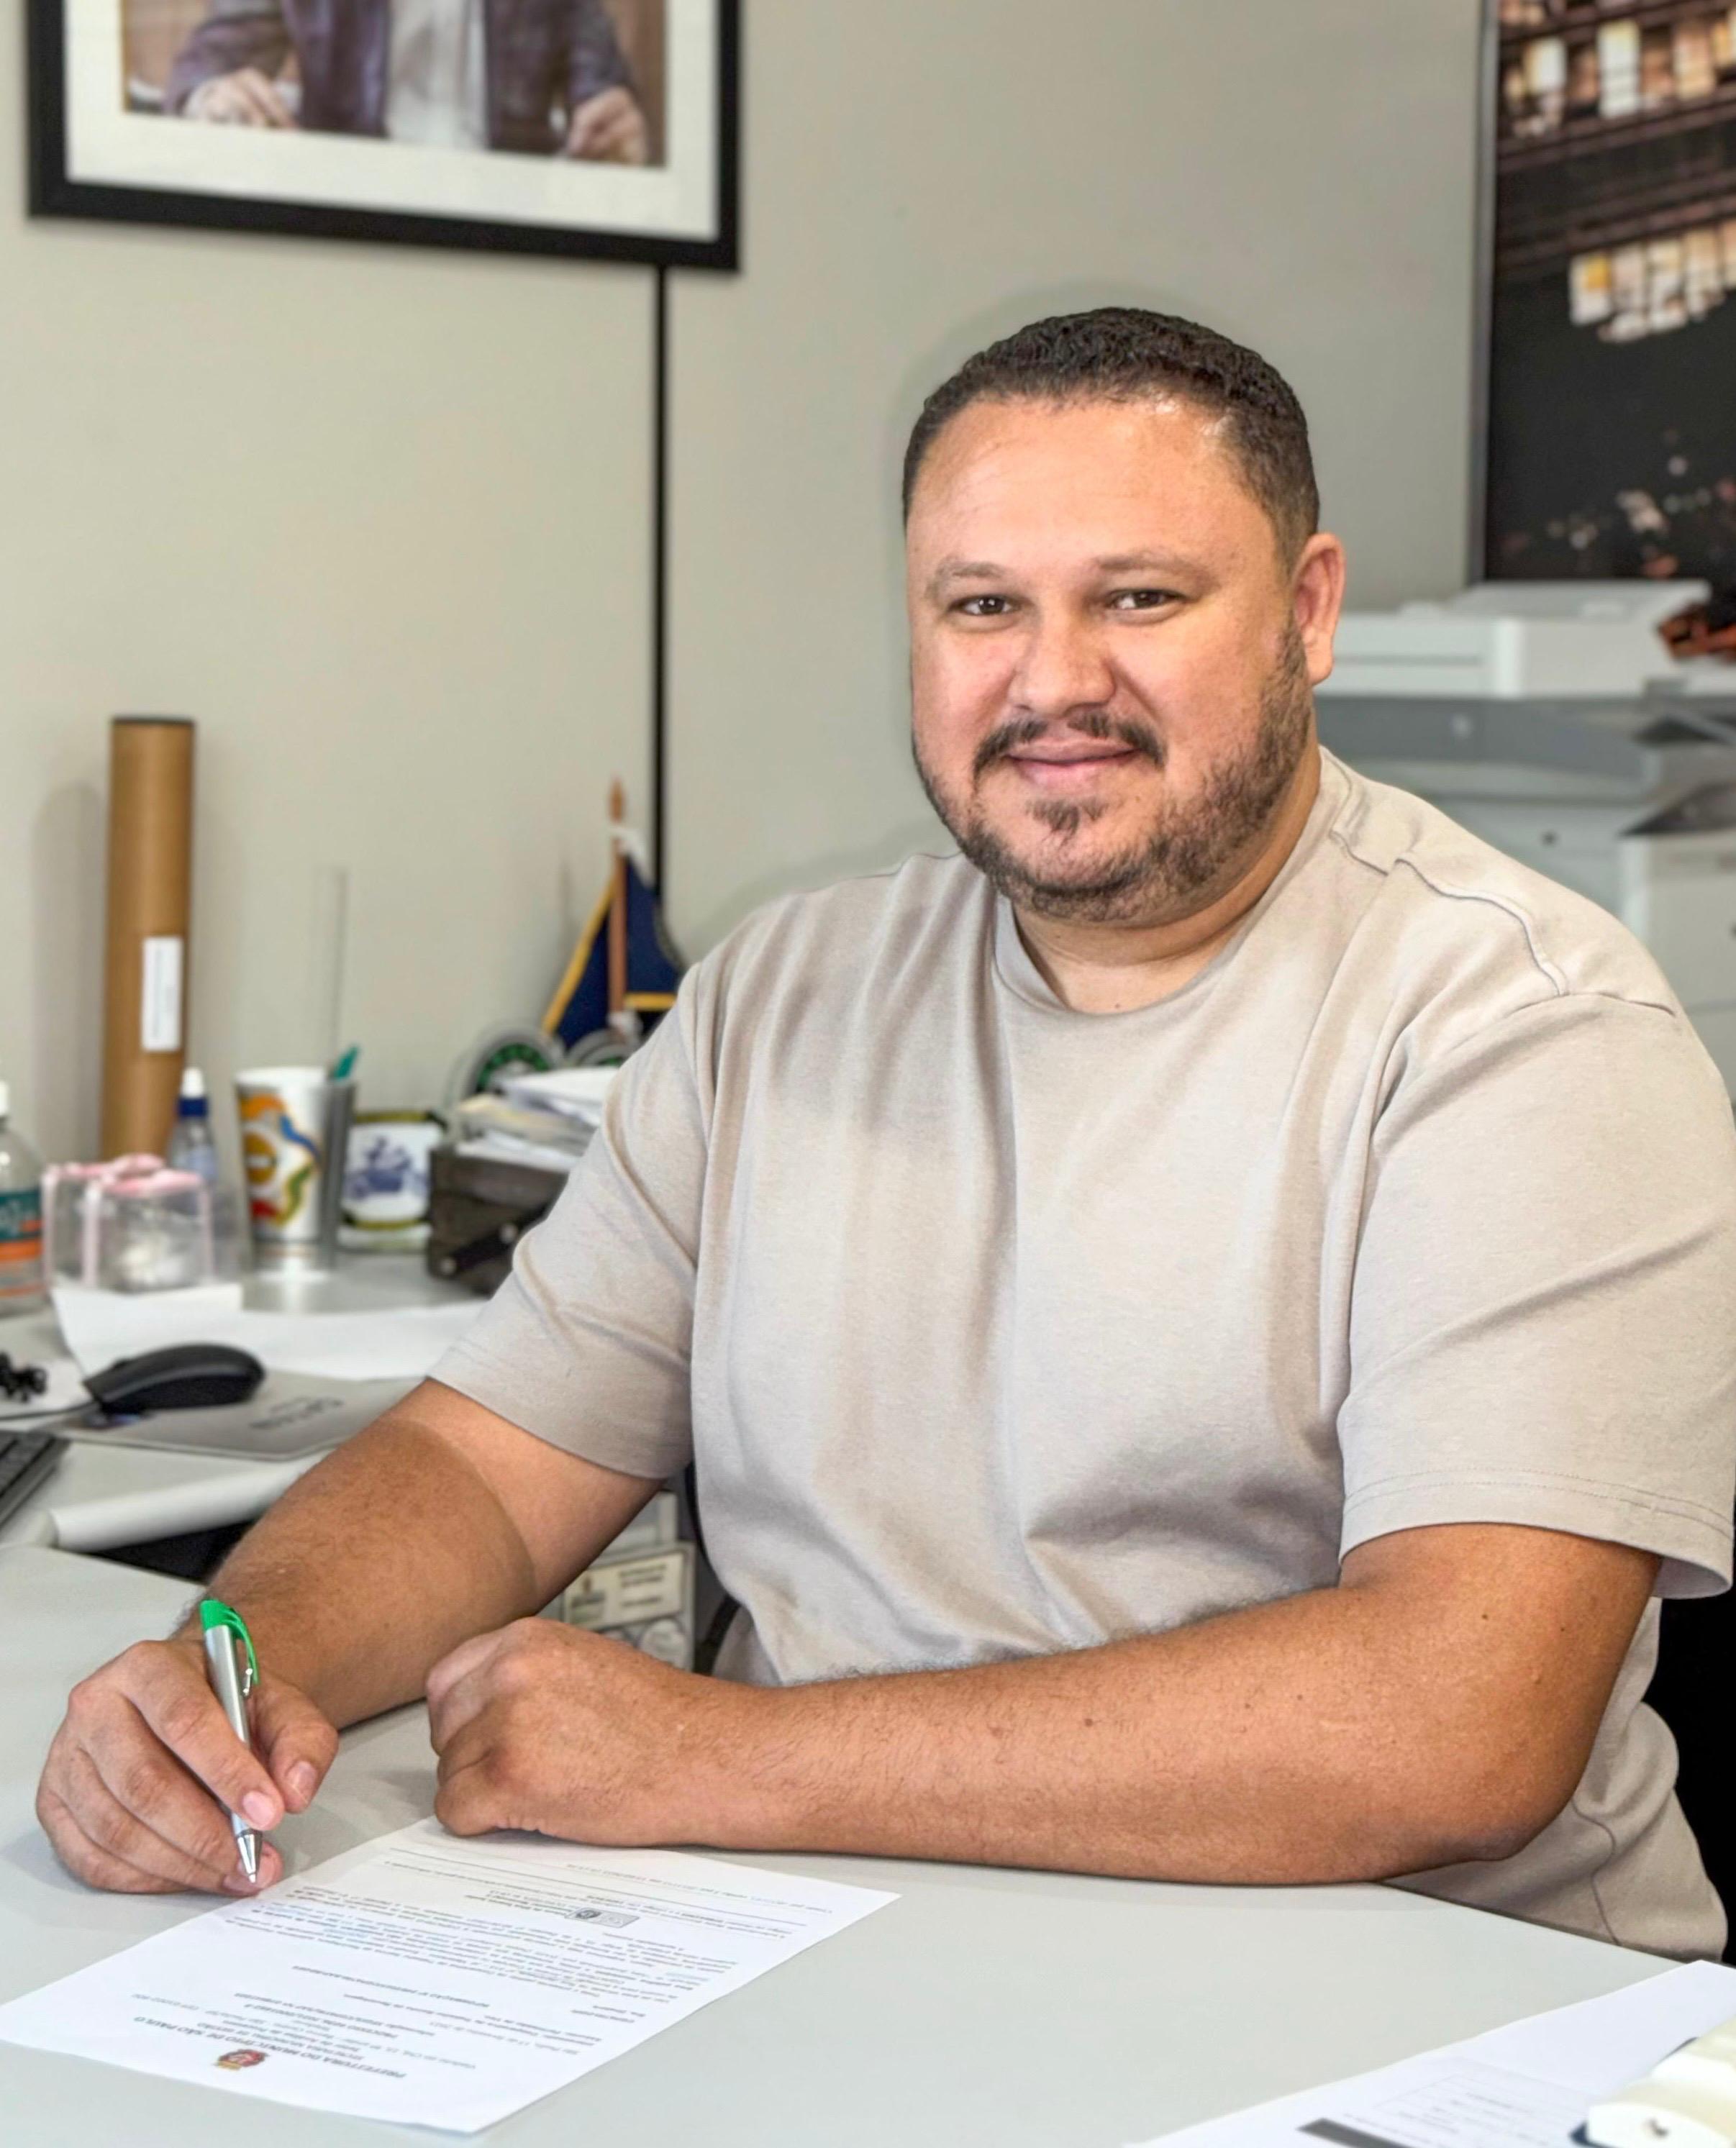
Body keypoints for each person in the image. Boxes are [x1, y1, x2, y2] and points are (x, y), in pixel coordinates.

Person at [37, 309, 1736, 1961]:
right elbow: (488, 1462)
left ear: (1304, 611)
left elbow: (1450, 1723)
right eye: (980, 603)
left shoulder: (1523, 1030)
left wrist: (712, 1755)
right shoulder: (787, 987)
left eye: (1136, 597)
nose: (1051, 680)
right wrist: (232, 1669)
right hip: (838, 1936)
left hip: (1418, 2005)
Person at [163, 0, 649, 161]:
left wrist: (617, 130)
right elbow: (203, 71)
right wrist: (214, 97)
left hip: (510, 233)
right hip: (347, 226)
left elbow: (605, 95)